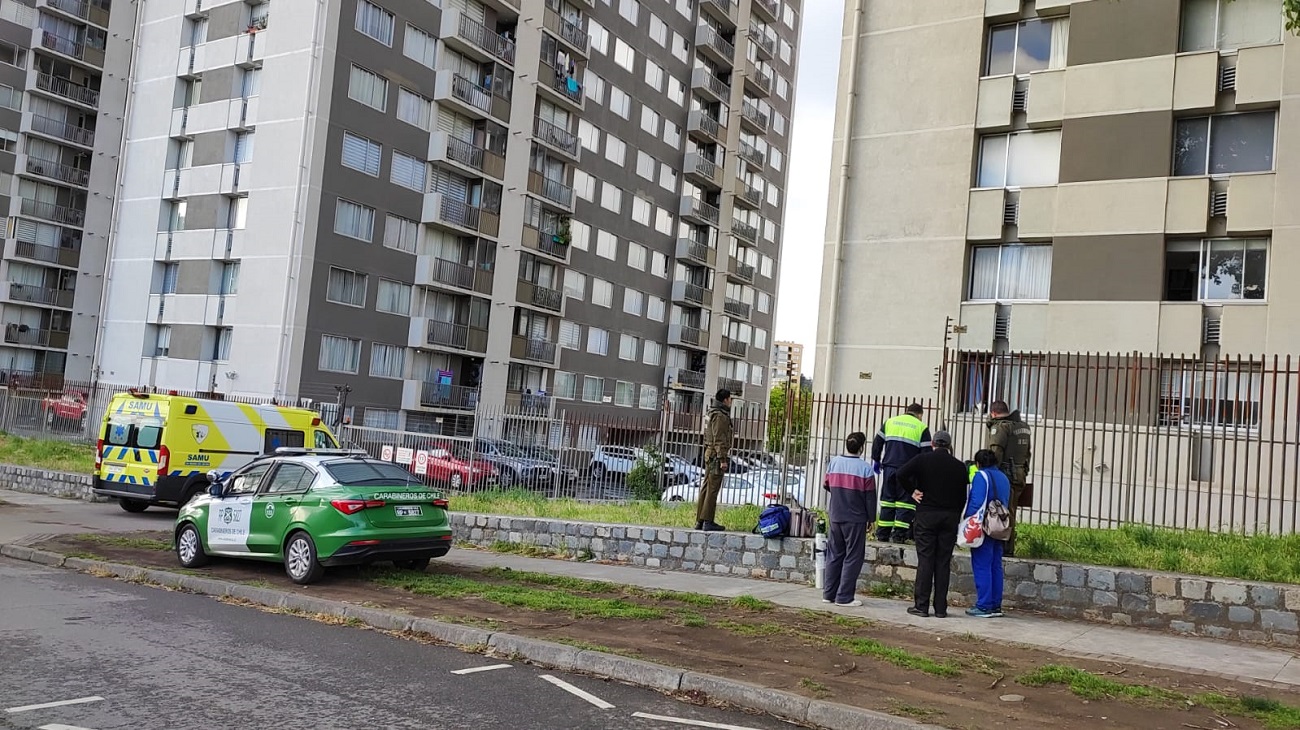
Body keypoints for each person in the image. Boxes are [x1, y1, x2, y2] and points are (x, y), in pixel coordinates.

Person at [896, 431, 968, 618]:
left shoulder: (922, 460)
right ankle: (941, 608)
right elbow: (963, 496)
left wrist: (912, 491)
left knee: (926, 560)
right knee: (943, 562)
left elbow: (901, 473)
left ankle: (921, 606)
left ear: (933, 444)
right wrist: (955, 514)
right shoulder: (960, 467)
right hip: (949, 517)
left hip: (926, 515)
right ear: (949, 446)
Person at [820, 432, 876, 607]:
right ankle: (844, 597)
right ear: (861, 447)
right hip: (856, 517)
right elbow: (870, 497)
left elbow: (826, 485)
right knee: (853, 556)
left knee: (834, 554)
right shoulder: (865, 468)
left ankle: (829, 593)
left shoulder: (834, 462)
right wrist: (871, 518)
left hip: (836, 515)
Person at [870, 403, 932, 544]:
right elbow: (926, 454)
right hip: (908, 471)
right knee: (905, 503)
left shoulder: (890, 422)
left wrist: (876, 459)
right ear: (919, 414)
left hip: (889, 468)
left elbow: (877, 442)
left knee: (888, 501)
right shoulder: (921, 427)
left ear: (906, 411)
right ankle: (899, 535)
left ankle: (883, 534)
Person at [966, 449, 1010, 618]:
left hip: (984, 525)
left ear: (978, 464)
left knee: (982, 564)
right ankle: (995, 604)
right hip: (999, 525)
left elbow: (976, 502)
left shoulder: (981, 476)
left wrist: (968, 520)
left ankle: (984, 605)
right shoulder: (1003, 477)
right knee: (995, 565)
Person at [985, 401, 1032, 557]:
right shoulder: (1023, 427)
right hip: (1020, 473)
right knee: (1011, 510)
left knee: (1003, 511)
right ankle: (1007, 546)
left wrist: (990, 473)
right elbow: (1027, 453)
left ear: (993, 413)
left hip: (1006, 475)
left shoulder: (1001, 427)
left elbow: (995, 453)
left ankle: (1004, 547)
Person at [696, 388, 734, 531]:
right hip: (716, 457)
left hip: (709, 453)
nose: (730, 402)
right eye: (730, 399)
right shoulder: (720, 415)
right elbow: (719, 438)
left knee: (706, 487)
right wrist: (722, 458)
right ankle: (708, 521)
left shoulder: (711, 412)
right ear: (725, 400)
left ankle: (700, 520)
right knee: (712, 488)